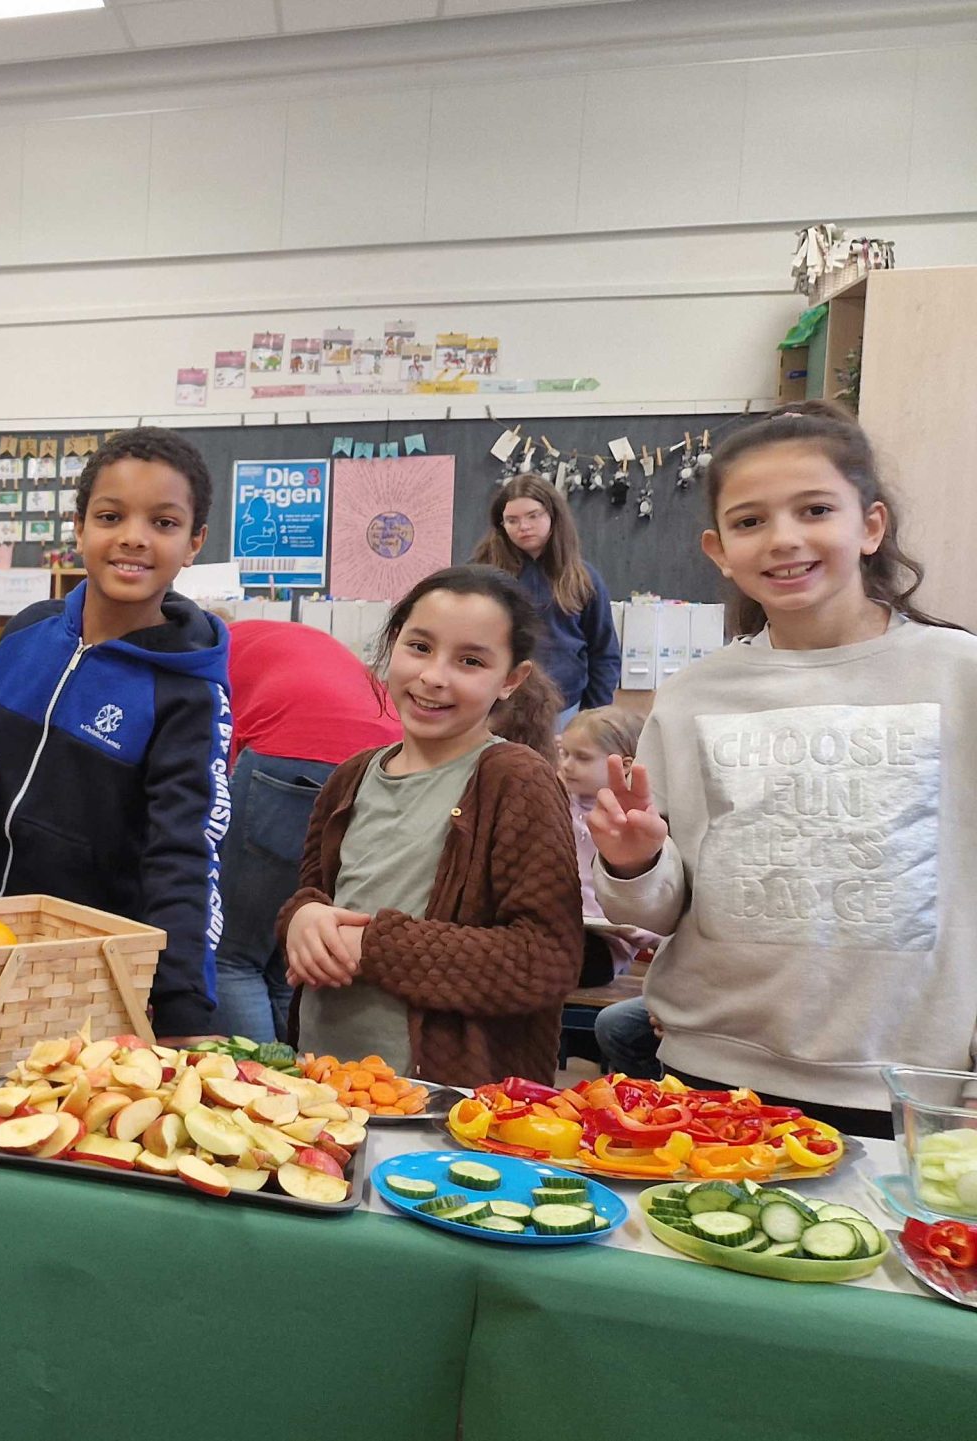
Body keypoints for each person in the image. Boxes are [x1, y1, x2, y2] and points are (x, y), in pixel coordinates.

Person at [591, 401, 977, 1138]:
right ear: (718, 549)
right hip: (708, 1069)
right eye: (750, 521)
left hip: (900, 1083)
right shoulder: (693, 694)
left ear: (870, 525)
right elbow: (654, 911)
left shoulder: (959, 674)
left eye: (814, 509)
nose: (784, 539)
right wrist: (634, 860)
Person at [0, 427, 232, 1039]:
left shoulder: (187, 692)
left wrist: (181, 1012)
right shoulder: (24, 633)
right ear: (78, 527)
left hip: (83, 979)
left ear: (194, 542)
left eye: (165, 523)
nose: (133, 537)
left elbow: (184, 853)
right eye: (111, 515)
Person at [277, 567, 580, 1086]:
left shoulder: (514, 780)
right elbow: (316, 894)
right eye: (419, 647)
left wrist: (377, 947)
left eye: (470, 661)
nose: (435, 676)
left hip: (442, 1102)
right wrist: (301, 919)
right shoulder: (351, 777)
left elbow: (544, 960)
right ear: (393, 646)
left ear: (511, 680)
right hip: (322, 1081)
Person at [210, 618, 403, 1044]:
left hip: (294, 750)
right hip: (385, 762)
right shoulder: (276, 638)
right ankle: (295, 1086)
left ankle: (254, 1094)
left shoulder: (204, 649)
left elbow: (207, 775)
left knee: (231, 958)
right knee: (285, 955)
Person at [469, 474, 618, 724]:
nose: (523, 526)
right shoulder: (481, 574)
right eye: (512, 520)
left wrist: (592, 715)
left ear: (552, 515)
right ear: (501, 524)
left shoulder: (583, 578)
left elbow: (604, 652)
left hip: (565, 710)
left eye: (533, 515)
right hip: (494, 708)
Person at [554, 707, 661, 997]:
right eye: (564, 753)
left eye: (582, 757)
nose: (567, 765)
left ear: (624, 765)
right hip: (553, 926)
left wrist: (638, 929)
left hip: (602, 944)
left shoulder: (639, 819)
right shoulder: (557, 803)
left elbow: (655, 901)